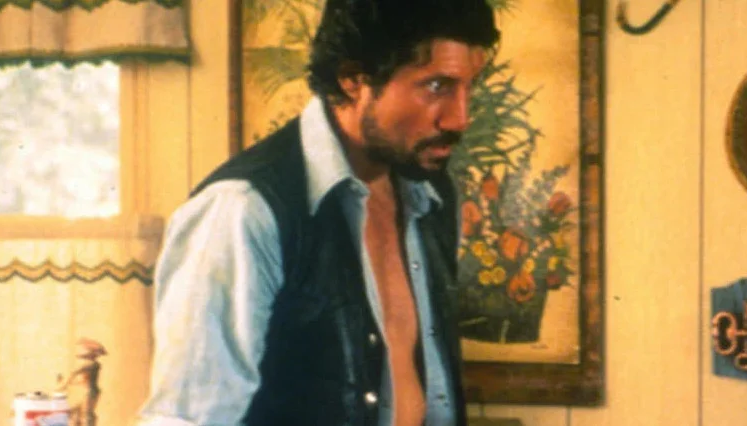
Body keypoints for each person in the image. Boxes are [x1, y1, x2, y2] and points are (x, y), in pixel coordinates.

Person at [137, 1, 499, 425]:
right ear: (353, 79)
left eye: (469, 87)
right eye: (437, 87)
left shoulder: (431, 194)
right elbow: (190, 418)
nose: (460, 118)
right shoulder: (242, 209)